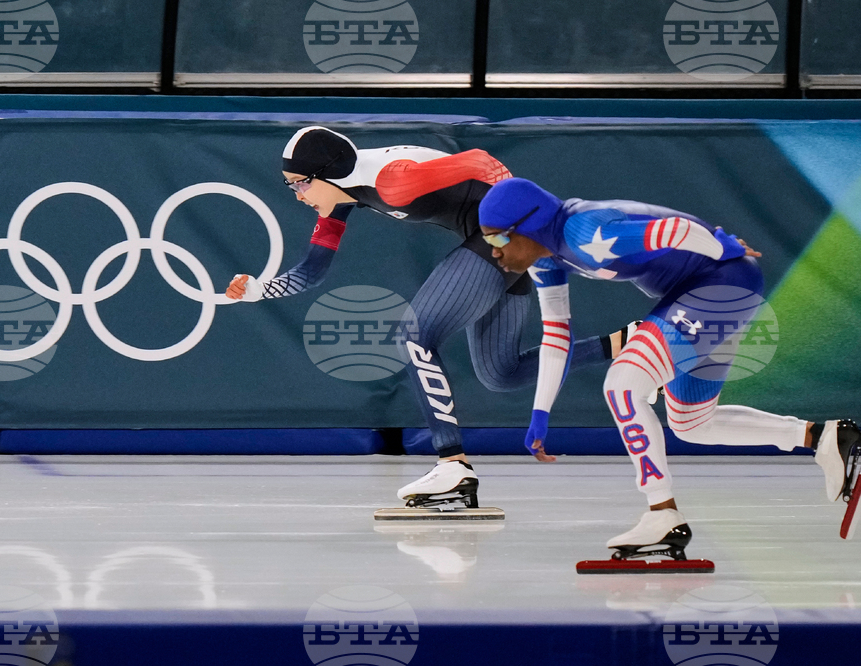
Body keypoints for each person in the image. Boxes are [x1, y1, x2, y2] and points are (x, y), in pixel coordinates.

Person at [225, 127, 635, 509]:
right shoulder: (341, 195)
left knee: (414, 336)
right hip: (503, 235)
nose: (297, 195)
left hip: (509, 236)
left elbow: (481, 160)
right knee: (502, 373)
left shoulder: (393, 181)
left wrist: (532, 228)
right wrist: (258, 290)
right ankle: (630, 341)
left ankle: (452, 464)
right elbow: (312, 271)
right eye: (291, 185)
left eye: (300, 183)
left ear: (328, 172)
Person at [477, 176, 860, 556]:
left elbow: (676, 230)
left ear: (528, 225)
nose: (493, 252)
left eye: (497, 240)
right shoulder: (546, 258)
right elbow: (557, 335)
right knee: (693, 424)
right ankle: (824, 438)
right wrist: (540, 414)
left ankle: (662, 514)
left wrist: (722, 246)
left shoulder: (584, 232)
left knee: (622, 386)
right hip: (702, 290)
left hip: (721, 284)